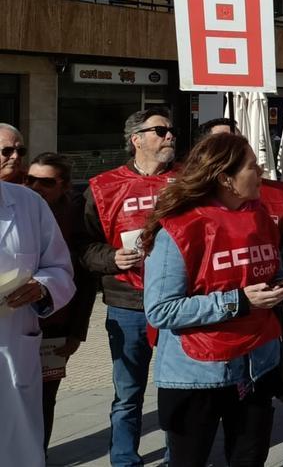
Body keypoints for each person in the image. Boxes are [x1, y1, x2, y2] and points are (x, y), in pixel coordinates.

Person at [142, 132, 283, 466]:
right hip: (197, 374)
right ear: (226, 177)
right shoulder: (179, 228)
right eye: (253, 166)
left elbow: (274, 271)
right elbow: (161, 311)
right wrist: (238, 300)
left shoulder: (261, 217)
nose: (262, 171)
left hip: (256, 366)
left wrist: (282, 288)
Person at [81, 107, 178, 467]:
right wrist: (111, 259)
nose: (170, 136)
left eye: (170, 130)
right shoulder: (104, 187)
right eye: (160, 130)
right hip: (128, 303)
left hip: (178, 302)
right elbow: (84, 246)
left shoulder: (189, 182)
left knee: (176, 389)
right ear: (136, 139)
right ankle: (123, 459)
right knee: (128, 392)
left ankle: (177, 456)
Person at [0, 178, 75, 467]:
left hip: (13, 348)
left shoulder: (28, 204)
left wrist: (42, 287)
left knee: (16, 448)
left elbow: (60, 269)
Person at [26, 152, 97, 449]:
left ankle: (39, 454)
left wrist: (77, 332)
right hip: (16, 320)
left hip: (55, 325)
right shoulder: (18, 210)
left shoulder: (74, 221)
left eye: (45, 182)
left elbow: (84, 281)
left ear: (64, 185)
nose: (35, 187)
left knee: (44, 398)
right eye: (30, 179)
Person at [199, 117, 283, 232]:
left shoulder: (265, 209)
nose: (238, 146)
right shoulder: (192, 219)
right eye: (226, 141)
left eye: (239, 139)